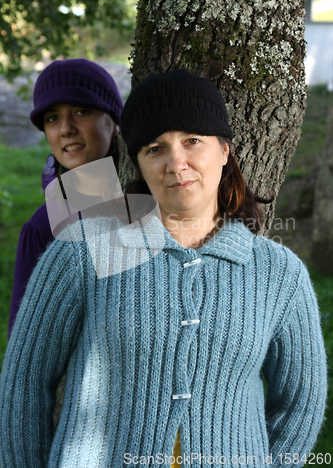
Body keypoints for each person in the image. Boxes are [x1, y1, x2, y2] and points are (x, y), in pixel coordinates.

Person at [0, 69, 327, 468]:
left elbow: (300, 404)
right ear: (138, 162)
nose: (176, 163)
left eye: (193, 141)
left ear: (224, 150)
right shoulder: (82, 251)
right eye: (155, 148)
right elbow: (24, 383)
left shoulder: (280, 275)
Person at [7, 58, 123, 339]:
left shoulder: (151, 200)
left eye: (82, 111)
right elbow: (24, 348)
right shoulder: (44, 226)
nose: (66, 128)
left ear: (114, 121)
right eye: (52, 118)